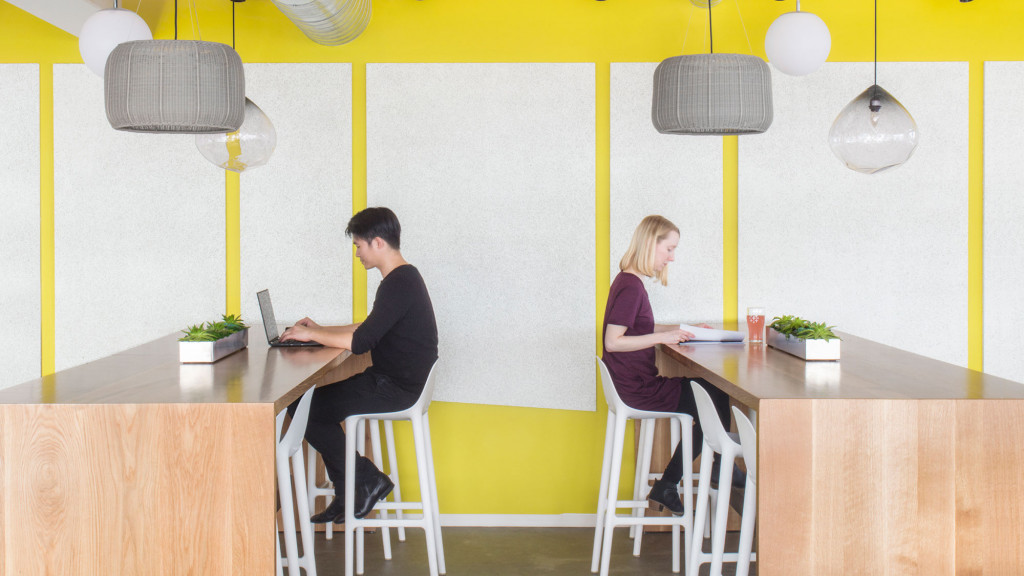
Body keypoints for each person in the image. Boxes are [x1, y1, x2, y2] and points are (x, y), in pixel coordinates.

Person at [282, 207, 439, 523]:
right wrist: (318, 330)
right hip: (396, 383)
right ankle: (357, 485)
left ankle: (362, 481)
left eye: (358, 246)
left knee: (303, 409)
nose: (357, 253)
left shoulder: (398, 283)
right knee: (307, 407)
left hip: (395, 388)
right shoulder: (404, 278)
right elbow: (368, 328)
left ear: (377, 243)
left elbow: (361, 342)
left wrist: (312, 334)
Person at [602, 214, 737, 515]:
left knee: (709, 396)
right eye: (669, 249)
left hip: (633, 385)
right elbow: (614, 341)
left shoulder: (628, 281)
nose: (672, 258)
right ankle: (700, 472)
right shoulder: (632, 287)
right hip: (638, 390)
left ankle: (681, 479)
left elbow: (636, 329)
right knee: (712, 396)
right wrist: (664, 338)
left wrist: (681, 329)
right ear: (651, 244)